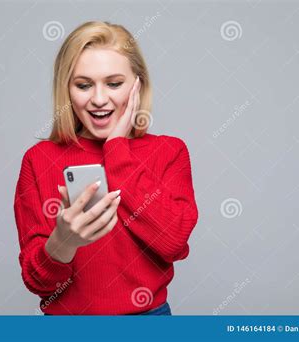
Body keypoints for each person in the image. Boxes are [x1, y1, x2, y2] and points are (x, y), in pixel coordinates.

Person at [14, 21, 198, 315]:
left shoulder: (169, 151)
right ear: (67, 90)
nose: (99, 99)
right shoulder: (39, 159)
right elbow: (39, 282)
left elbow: (173, 242)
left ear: (138, 85)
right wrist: (62, 243)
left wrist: (116, 149)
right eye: (84, 85)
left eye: (114, 83)